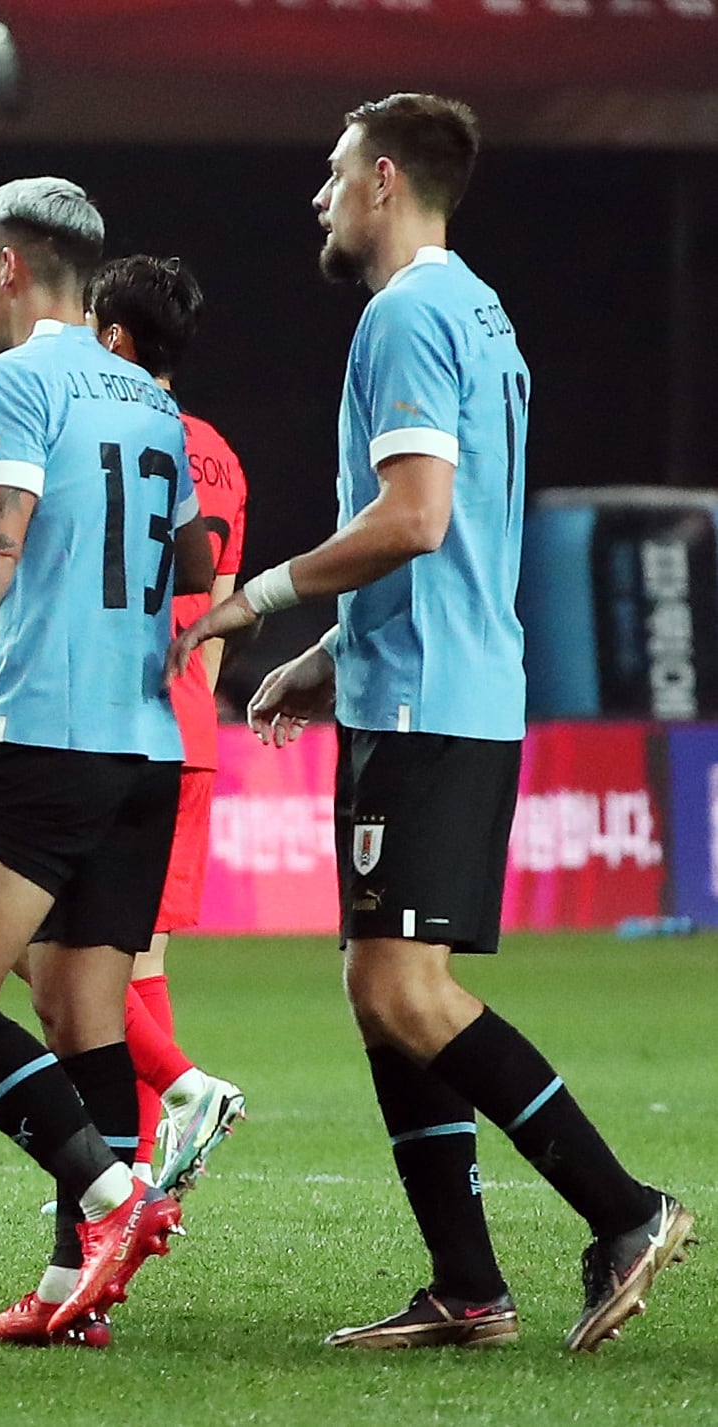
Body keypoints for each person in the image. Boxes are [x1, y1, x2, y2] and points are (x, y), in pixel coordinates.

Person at [173, 92, 693, 1353]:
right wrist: (329, 652)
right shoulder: (480, 314)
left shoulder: (404, 314)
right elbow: (448, 543)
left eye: (335, 169)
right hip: (425, 677)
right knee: (378, 984)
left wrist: (261, 594)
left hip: (432, 703)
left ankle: (624, 1209)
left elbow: (413, 518)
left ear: (386, 179)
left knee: (405, 985)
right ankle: (467, 1284)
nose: (319, 195)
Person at [0, 177, 212, 1348]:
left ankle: (115, 1200)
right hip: (147, 745)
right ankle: (76, 1287)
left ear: (13, 267)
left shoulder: (12, 381)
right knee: (85, 1015)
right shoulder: (157, 406)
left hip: (48, 736)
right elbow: (187, 571)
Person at [84, 255, 249, 1194]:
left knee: (72, 952)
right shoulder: (219, 452)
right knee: (137, 956)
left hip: (115, 724)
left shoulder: (111, 434)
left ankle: (153, 1133)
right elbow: (219, 608)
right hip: (188, 727)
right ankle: (134, 1170)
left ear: (112, 336)